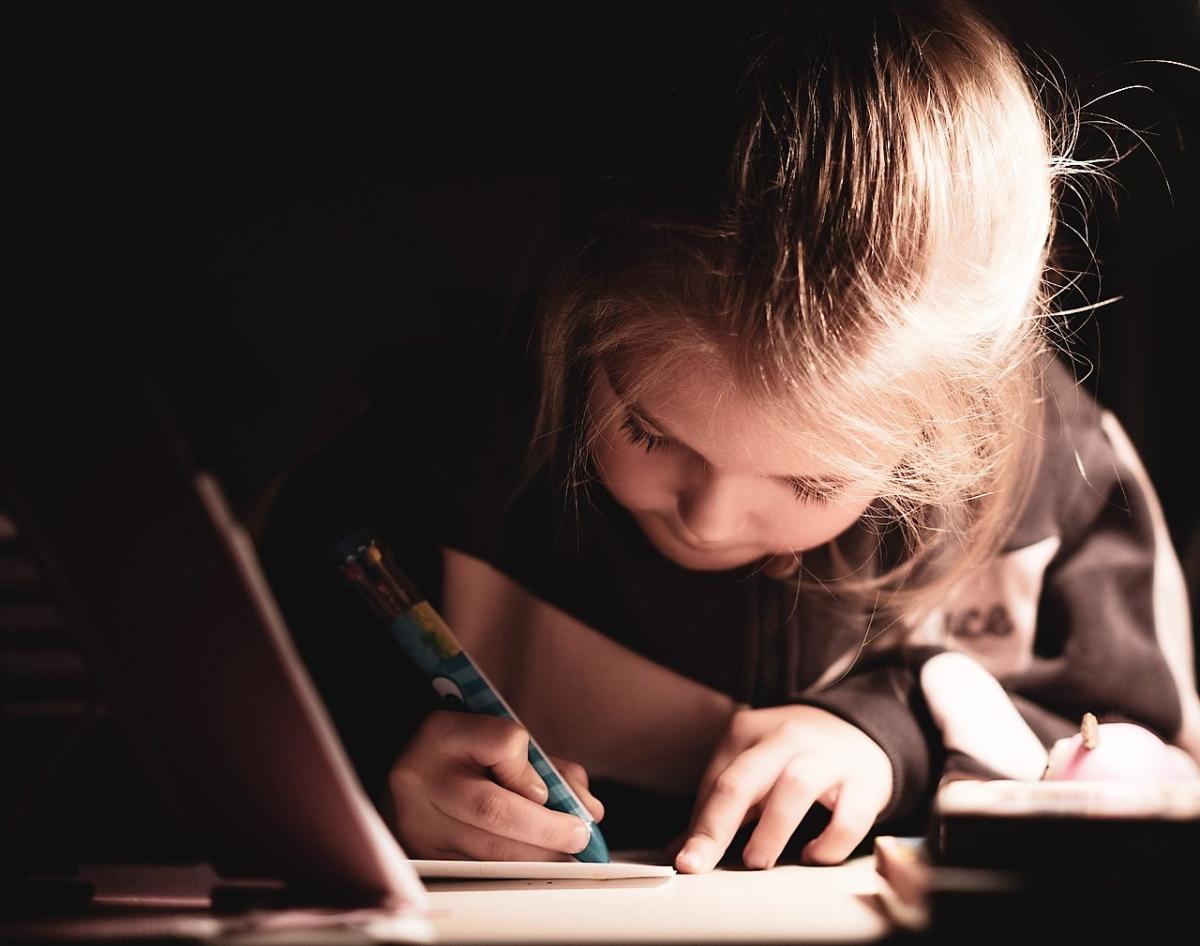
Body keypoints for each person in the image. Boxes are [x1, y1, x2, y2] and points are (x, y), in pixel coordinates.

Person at [260, 0, 1200, 874]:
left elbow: (1147, 764)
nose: (710, 519)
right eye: (648, 429)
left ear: (941, 433)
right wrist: (376, 768)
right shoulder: (433, 460)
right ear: (581, 314)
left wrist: (895, 737)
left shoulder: (1062, 476)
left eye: (809, 482)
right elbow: (213, 729)